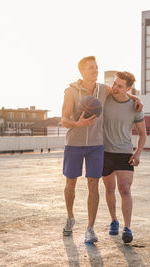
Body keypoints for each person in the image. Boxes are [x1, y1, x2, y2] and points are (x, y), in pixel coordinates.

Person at [61, 56, 143, 243]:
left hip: (96, 146)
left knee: (93, 185)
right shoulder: (71, 91)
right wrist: (78, 123)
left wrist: (136, 97)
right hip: (74, 144)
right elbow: (64, 120)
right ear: (81, 71)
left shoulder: (102, 89)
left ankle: (90, 228)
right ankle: (70, 217)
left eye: (96, 67)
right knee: (70, 185)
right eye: (91, 68)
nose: (96, 70)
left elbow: (121, 93)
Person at [102, 71, 147, 244]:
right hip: (105, 152)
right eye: (114, 83)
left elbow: (143, 134)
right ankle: (114, 220)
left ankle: (127, 227)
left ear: (128, 88)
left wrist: (137, 154)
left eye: (120, 86)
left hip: (124, 153)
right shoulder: (106, 98)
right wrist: (135, 96)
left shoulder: (135, 107)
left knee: (125, 190)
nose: (115, 87)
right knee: (109, 189)